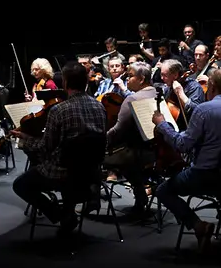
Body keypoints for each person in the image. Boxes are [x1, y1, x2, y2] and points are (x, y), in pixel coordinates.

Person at [152, 70, 221, 252]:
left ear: (212, 87)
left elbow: (183, 145)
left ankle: (199, 226)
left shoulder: (204, 110)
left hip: (206, 176)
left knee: (162, 190)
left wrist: (162, 125)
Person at [10, 62, 107, 233]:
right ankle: (68, 212)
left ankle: (61, 215)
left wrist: (26, 138)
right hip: (91, 173)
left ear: (65, 83)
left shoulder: (59, 110)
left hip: (64, 172)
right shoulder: (99, 107)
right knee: (70, 159)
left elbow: (45, 147)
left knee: (20, 184)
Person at [103, 62, 157, 213]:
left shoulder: (132, 99)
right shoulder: (157, 93)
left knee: (92, 156)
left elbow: (117, 131)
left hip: (134, 154)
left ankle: (92, 198)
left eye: (130, 76)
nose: (127, 79)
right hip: (154, 152)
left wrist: (102, 141)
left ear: (141, 79)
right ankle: (141, 195)